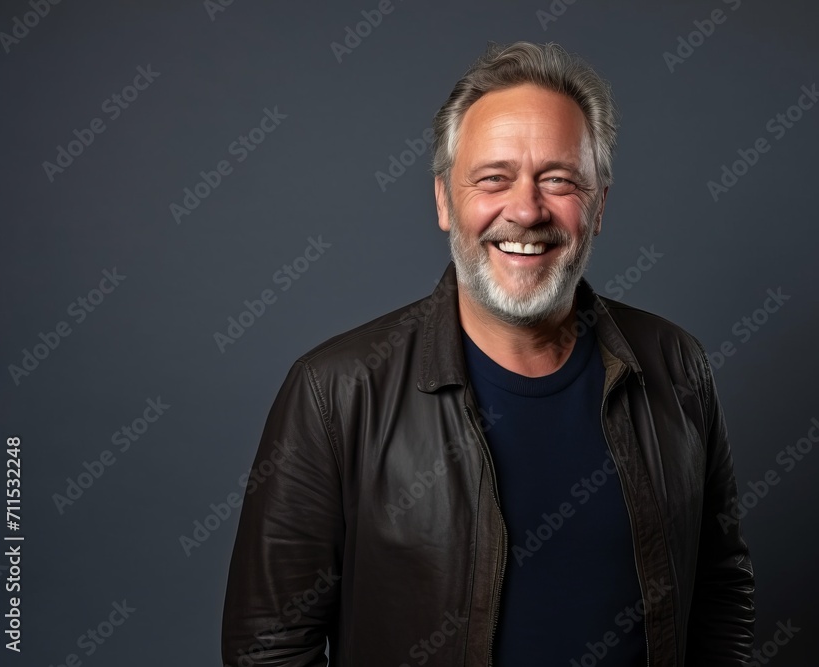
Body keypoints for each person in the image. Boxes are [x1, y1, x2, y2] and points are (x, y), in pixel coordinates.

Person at [222, 40, 755, 666]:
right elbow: (269, 648)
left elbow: (721, 594)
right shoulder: (336, 393)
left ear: (599, 206)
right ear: (446, 201)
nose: (526, 210)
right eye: (493, 178)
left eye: (558, 180)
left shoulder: (676, 366)